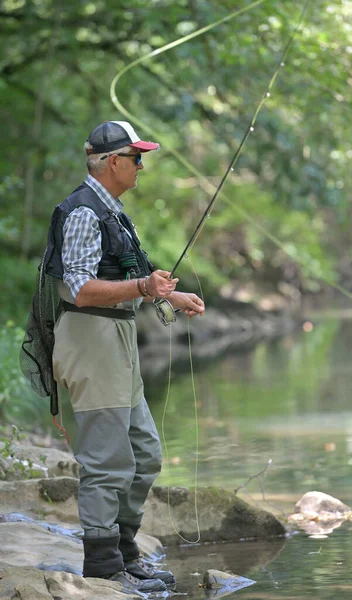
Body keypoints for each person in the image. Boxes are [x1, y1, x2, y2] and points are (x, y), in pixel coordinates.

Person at [46, 121, 205, 594]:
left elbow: (128, 277)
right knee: (107, 461)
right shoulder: (81, 213)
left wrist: (167, 297)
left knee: (144, 453)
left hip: (117, 340)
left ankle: (126, 555)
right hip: (90, 343)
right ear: (112, 160)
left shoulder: (113, 212)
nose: (142, 166)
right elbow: (79, 287)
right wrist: (140, 287)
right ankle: (101, 566)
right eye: (136, 158)